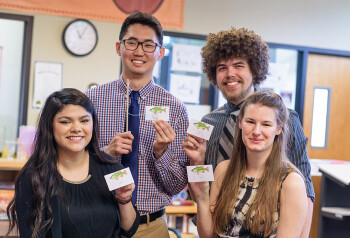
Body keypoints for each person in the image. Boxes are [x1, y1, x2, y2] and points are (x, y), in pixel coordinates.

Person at [195, 27, 314, 237]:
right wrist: (193, 162)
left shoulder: (287, 119)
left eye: (238, 65)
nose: (230, 73)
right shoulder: (208, 123)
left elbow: (304, 192)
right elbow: (204, 185)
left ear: (255, 70)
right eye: (222, 67)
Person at [86, 12, 189, 237]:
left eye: (148, 45)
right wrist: (107, 154)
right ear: (118, 47)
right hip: (98, 221)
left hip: (150, 227)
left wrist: (162, 154)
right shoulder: (92, 100)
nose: (139, 51)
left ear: (160, 52)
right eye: (131, 43)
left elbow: (176, 185)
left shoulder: (176, 108)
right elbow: (74, 164)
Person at [6, 88, 139, 238]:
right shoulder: (34, 176)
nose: (76, 128)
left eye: (84, 120)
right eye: (65, 122)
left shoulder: (112, 167)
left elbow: (129, 229)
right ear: (50, 125)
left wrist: (124, 199)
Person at [183, 90, 308, 237]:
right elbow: (208, 235)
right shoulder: (223, 170)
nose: (256, 131)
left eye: (266, 124)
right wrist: (202, 197)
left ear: (279, 129)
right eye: (250, 122)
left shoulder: (291, 182)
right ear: (240, 122)